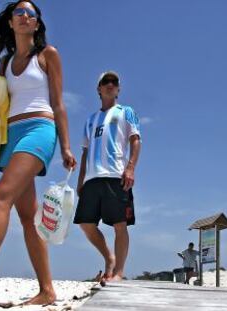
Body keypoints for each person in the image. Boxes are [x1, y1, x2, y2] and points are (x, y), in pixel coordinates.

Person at [0, 0, 76, 306]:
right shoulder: (3, 64)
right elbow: (0, 104)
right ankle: (47, 290)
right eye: (19, 13)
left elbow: (59, 103)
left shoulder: (47, 55)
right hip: (10, 136)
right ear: (11, 23)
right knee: (28, 218)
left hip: (39, 130)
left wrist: (65, 145)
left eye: (31, 14)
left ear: (36, 24)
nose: (25, 16)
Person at [73, 71, 141, 283]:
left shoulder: (126, 112)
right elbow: (84, 152)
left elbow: (135, 140)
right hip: (92, 179)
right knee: (85, 223)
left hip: (116, 176)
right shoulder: (90, 120)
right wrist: (81, 179)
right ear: (99, 89)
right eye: (106, 82)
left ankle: (118, 273)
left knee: (120, 224)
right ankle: (109, 258)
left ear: (118, 89)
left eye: (114, 82)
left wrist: (130, 167)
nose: (110, 84)